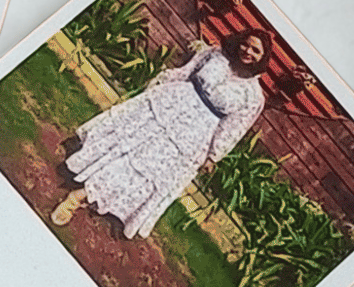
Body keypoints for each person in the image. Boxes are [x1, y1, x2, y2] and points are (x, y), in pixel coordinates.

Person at [51, 28, 272, 240]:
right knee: (130, 144)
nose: (248, 52)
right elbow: (186, 72)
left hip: (194, 133)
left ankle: (81, 197)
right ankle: (87, 171)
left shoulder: (253, 97)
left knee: (147, 167)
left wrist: (214, 155)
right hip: (170, 103)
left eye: (256, 51)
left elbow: (234, 127)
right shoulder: (215, 54)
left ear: (263, 59)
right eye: (247, 44)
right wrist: (158, 85)